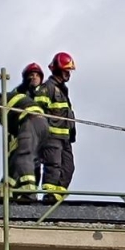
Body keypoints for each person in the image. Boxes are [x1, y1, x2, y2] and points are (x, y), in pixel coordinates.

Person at [0, 81, 49, 202]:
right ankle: (4, 190)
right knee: (16, 159)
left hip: (29, 121)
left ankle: (29, 193)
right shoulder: (9, 100)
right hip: (42, 125)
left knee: (23, 158)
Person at [34, 52, 77, 204]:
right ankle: (49, 198)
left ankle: (56, 198)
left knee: (68, 168)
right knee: (53, 167)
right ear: (58, 70)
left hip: (64, 139)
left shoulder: (62, 90)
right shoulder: (48, 88)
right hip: (51, 137)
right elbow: (37, 110)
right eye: (66, 70)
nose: (68, 74)